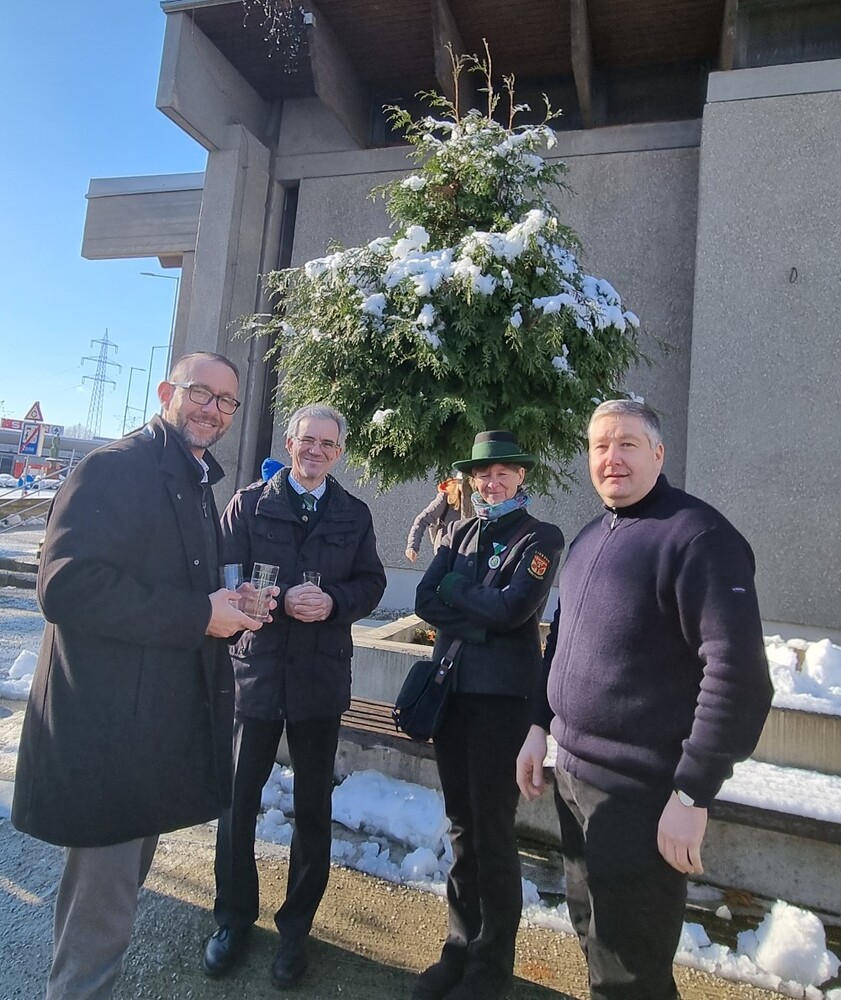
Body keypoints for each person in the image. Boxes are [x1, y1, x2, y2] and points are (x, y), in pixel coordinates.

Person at [12, 351, 268, 1000]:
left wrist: (225, 604)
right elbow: (65, 587)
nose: (212, 409)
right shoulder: (115, 467)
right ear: (165, 392)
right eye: (200, 392)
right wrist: (199, 615)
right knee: (95, 937)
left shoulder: (192, 478)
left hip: (148, 733)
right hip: (108, 739)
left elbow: (169, 584)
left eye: (226, 401)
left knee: (113, 914)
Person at [516, 399, 773, 1000]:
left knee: (632, 970)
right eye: (600, 445)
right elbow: (562, 642)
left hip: (642, 795)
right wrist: (537, 726)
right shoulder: (589, 536)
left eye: (627, 443)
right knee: (594, 937)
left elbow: (739, 677)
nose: (612, 457)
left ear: (659, 453)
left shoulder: (700, 538)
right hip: (574, 782)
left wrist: (692, 793)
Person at [202, 403, 386, 988]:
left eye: (328, 444)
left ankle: (296, 930)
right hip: (256, 672)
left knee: (312, 809)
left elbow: (372, 583)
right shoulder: (249, 504)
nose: (316, 451)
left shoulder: (354, 514)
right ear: (290, 442)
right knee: (238, 803)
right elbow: (224, 574)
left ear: (339, 453)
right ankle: (232, 919)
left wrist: (334, 602)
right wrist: (262, 600)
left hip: (318, 680)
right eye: (308, 440)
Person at [413, 431, 565, 1000]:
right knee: (461, 826)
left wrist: (458, 592)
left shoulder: (540, 536)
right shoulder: (459, 531)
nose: (492, 482)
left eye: (503, 472)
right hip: (452, 696)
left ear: (520, 476)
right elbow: (424, 600)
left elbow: (513, 610)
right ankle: (459, 944)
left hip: (503, 705)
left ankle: (490, 965)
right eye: (483, 474)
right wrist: (479, 616)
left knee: (493, 831)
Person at [405, 474, 464, 563]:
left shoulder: (478, 500)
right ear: (456, 483)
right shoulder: (446, 497)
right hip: (445, 551)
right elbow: (422, 520)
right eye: (463, 484)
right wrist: (412, 547)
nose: (466, 488)